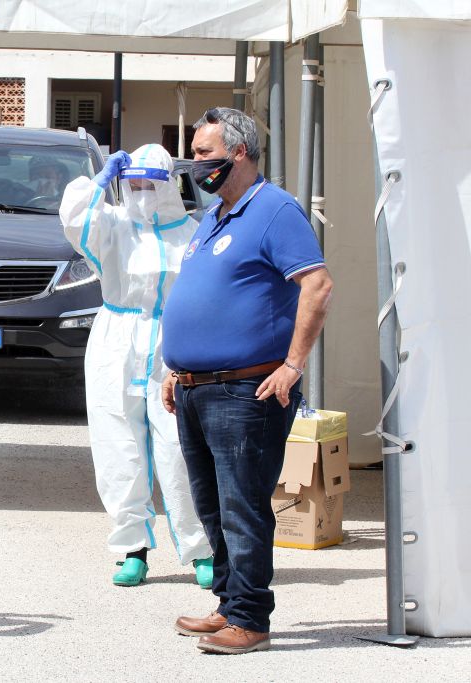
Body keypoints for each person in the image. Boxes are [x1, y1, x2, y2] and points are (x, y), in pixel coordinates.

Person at [161, 107, 333, 654]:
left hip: (245, 389)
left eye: (204, 152)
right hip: (196, 386)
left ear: (239, 152)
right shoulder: (215, 215)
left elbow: (318, 286)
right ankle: (228, 602)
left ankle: (251, 618)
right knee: (212, 505)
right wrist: (175, 368)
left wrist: (293, 365)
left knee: (243, 505)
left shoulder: (275, 210)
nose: (195, 162)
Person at [59, 144, 214, 589]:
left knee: (179, 448)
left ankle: (201, 548)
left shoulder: (192, 233)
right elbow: (73, 217)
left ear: (169, 185)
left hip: (172, 343)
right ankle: (133, 550)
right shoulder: (112, 226)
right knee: (118, 445)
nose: (142, 192)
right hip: (116, 342)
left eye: (151, 183)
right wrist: (99, 180)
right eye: (134, 184)